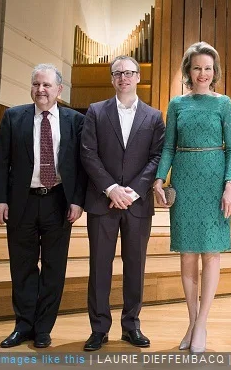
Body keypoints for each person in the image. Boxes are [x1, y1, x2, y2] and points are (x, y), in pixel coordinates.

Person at [0, 64, 87, 349]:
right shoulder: (13, 117)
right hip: (22, 202)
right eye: (36, 84)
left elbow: (81, 166)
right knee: (22, 267)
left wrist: (77, 200)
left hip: (58, 202)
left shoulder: (74, 120)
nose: (40, 90)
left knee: (54, 269)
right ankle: (23, 326)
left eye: (46, 85)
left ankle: (44, 328)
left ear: (59, 90)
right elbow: (0, 162)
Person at [153, 42, 231, 354]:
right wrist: (160, 177)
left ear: (214, 72)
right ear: (188, 71)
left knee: (211, 254)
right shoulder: (176, 104)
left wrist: (230, 185)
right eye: (197, 67)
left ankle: (201, 323)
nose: (202, 73)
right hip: (185, 179)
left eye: (208, 68)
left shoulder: (224, 103)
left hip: (215, 181)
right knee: (187, 253)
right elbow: (168, 147)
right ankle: (191, 321)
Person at [80, 56, 165, 351]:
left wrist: (133, 191)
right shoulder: (95, 111)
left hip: (137, 204)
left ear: (139, 77)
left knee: (135, 267)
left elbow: (157, 156)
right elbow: (88, 153)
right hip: (103, 202)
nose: (123, 78)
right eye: (118, 73)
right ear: (112, 79)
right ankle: (99, 328)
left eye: (129, 73)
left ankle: (131, 326)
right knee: (99, 267)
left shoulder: (154, 117)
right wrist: (111, 188)